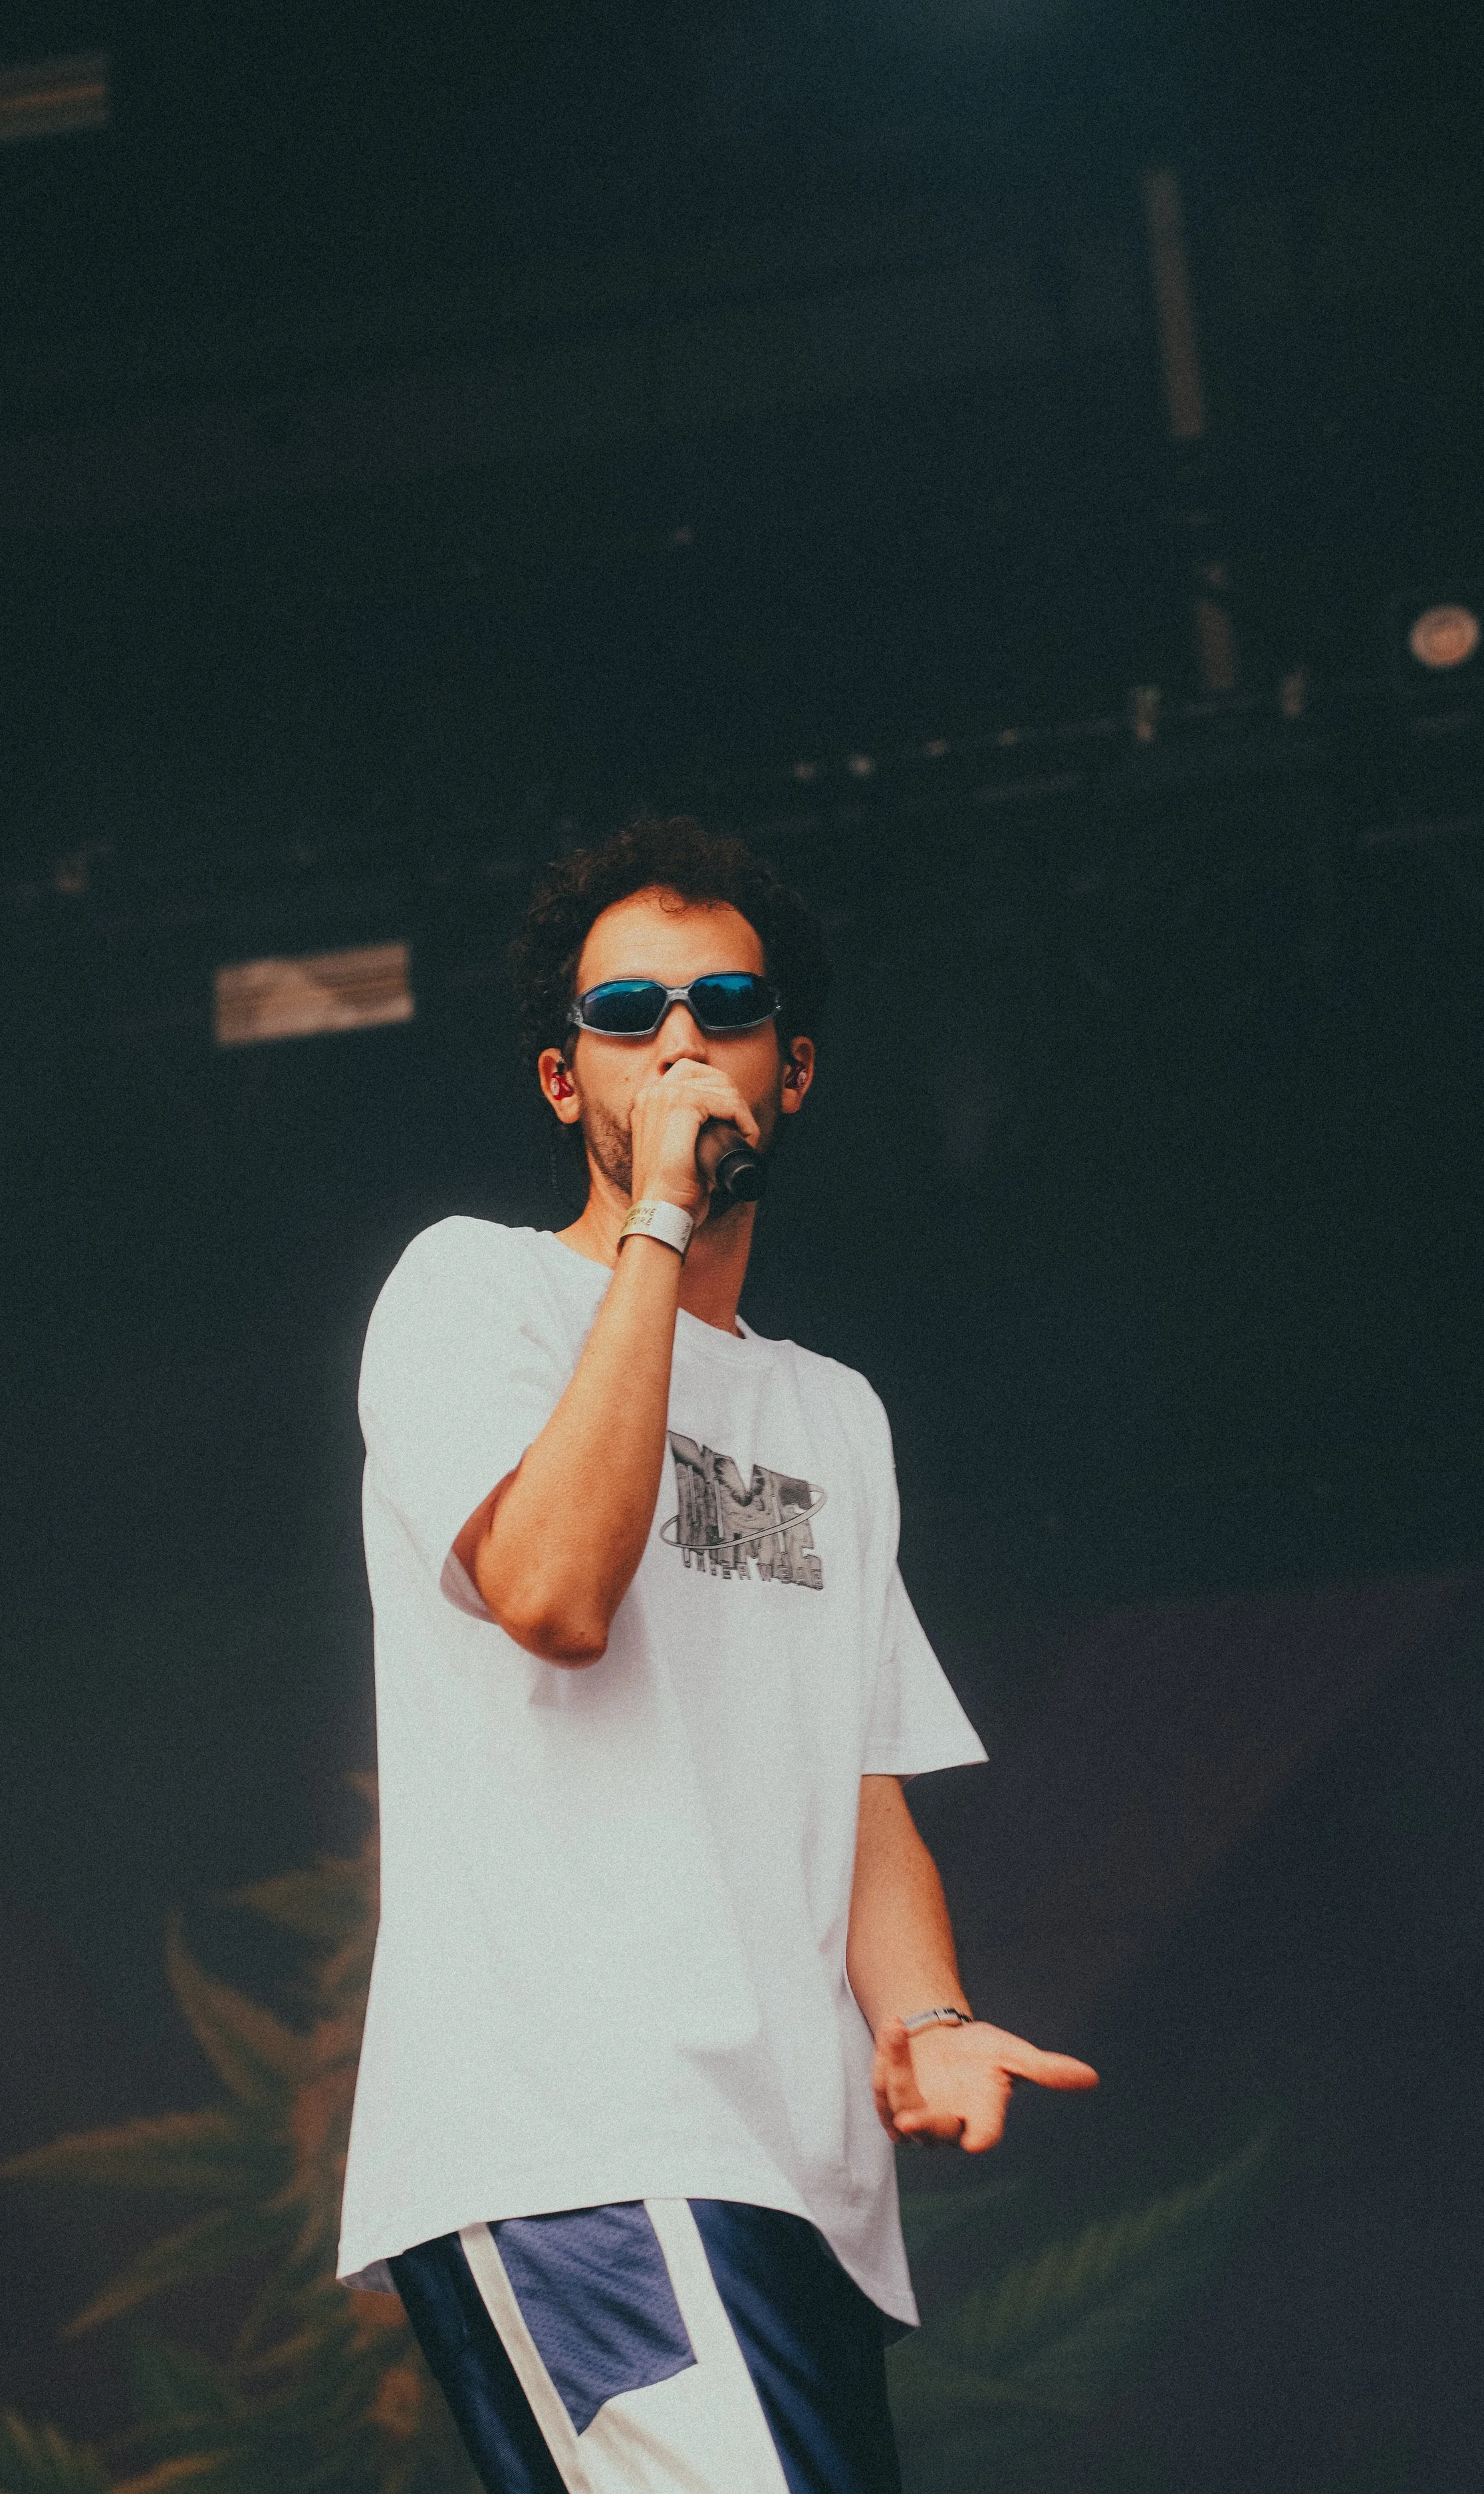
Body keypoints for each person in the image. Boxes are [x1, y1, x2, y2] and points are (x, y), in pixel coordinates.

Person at [338, 817, 1097, 2494]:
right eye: (627, 1015)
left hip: (800, 2177)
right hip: (582, 2138)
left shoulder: (832, 1412)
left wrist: (930, 2011)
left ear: (792, 1066)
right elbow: (551, 1588)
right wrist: (660, 1231)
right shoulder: (470, 1298)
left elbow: (859, 1782)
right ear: (563, 1082)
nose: (678, 1038)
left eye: (723, 1001)